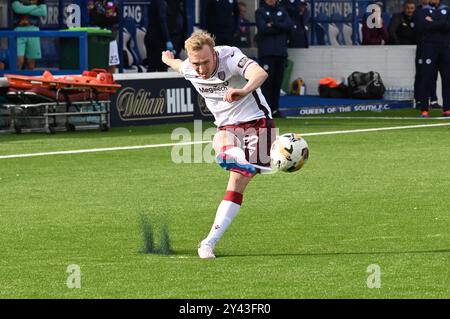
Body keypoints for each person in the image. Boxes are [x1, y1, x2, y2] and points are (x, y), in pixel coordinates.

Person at [161, 30, 275, 259]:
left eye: (205, 62)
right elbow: (178, 65)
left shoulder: (230, 56)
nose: (201, 69)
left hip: (257, 121)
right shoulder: (189, 68)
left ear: (213, 53)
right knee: (222, 140)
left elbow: (260, 73)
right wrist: (168, 59)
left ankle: (209, 240)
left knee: (237, 182)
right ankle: (208, 243)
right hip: (227, 127)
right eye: (196, 64)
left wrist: (243, 90)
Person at [255, 0, 293, 117]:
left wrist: (273, 24)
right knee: (267, 83)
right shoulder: (260, 12)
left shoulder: (282, 11)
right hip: (267, 53)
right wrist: (279, 27)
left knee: (277, 83)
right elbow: (263, 29)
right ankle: (266, 110)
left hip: (280, 53)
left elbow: (289, 25)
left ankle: (275, 109)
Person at [413, 0, 450, 117]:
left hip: (445, 47)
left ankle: (447, 109)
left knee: (447, 78)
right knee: (426, 78)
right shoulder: (421, 11)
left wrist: (432, 22)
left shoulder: (447, 9)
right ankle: (424, 109)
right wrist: (441, 23)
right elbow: (422, 26)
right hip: (428, 48)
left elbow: (448, 25)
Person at [412, 0, 441, 110]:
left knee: (433, 74)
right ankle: (419, 99)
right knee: (422, 74)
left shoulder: (440, 10)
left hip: (435, 46)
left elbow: (442, 25)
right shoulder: (418, 11)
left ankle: (433, 100)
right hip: (423, 46)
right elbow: (420, 27)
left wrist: (432, 23)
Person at [11, 0, 47, 70]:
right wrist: (34, 7)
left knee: (31, 63)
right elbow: (17, 9)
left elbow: (43, 11)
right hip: (19, 29)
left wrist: (24, 8)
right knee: (18, 61)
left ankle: (28, 80)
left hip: (33, 29)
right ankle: (16, 80)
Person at [87, 0, 120, 72]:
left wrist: (103, 17)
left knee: (111, 60)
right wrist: (105, 16)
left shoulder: (112, 2)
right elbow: (94, 18)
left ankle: (111, 78)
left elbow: (114, 18)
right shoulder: (92, 2)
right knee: (96, 60)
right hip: (95, 35)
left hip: (111, 34)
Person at [145, 0, 174, 71]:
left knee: (152, 66)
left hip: (150, 36)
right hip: (158, 39)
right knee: (162, 66)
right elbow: (162, 21)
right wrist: (167, 40)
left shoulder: (153, 2)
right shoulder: (161, 3)